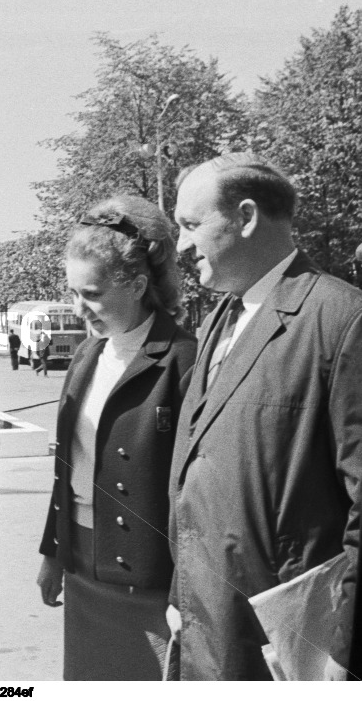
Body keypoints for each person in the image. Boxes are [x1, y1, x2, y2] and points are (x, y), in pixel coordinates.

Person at [167, 153, 361, 680]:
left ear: (246, 216)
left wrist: (344, 649)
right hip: (207, 624)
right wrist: (177, 595)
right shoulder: (217, 321)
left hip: (288, 643)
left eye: (190, 225)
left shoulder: (342, 319)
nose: (182, 246)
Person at [37, 196, 196, 680]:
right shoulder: (87, 355)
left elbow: (197, 497)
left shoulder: (185, 359)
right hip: (82, 564)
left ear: (139, 284)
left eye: (92, 294)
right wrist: (51, 553)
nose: (78, 308)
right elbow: (69, 465)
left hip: (149, 581)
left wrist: (187, 595)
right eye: (73, 292)